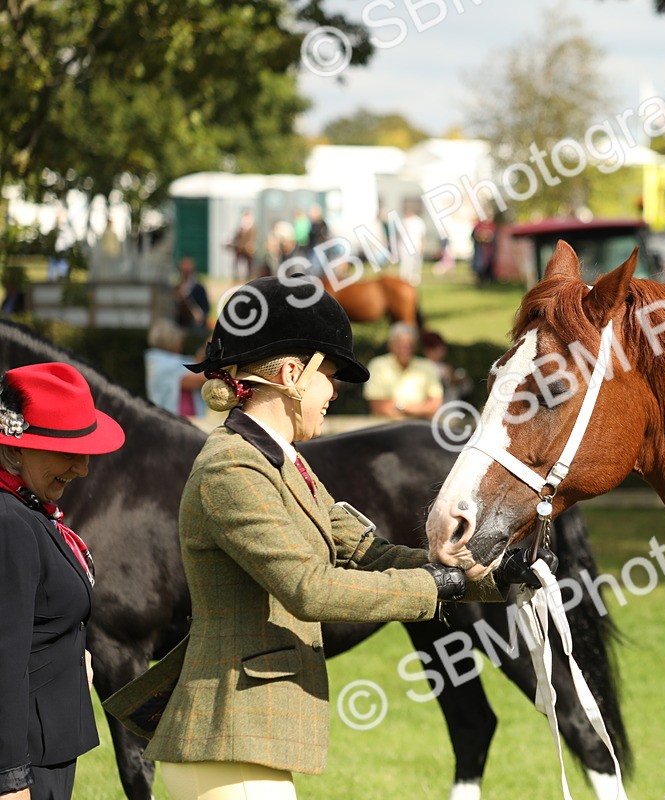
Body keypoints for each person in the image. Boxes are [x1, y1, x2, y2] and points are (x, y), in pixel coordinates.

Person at [102, 277, 548, 800]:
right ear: (292, 376)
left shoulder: (285, 463)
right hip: (227, 733)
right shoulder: (231, 469)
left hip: (248, 740)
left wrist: (488, 576)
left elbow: (370, 552)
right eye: (330, 377)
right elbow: (309, 589)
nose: (335, 392)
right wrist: (436, 587)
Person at [0, 362, 126, 800]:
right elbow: (4, 658)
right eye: (67, 452)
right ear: (15, 450)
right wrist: (10, 779)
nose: (83, 469)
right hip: (25, 761)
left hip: (44, 747)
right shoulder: (10, 522)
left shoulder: (28, 509)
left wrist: (72, 660)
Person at [364, 322, 443, 420]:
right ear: (390, 345)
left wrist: (401, 407)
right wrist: (420, 408)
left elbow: (434, 406)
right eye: (400, 345)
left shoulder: (428, 367)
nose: (405, 350)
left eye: (409, 345)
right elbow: (378, 407)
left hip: (419, 425)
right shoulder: (378, 365)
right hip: (386, 426)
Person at [144, 319, 206, 416]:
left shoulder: (159, 361)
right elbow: (199, 377)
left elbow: (194, 364)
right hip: (175, 420)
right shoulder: (164, 365)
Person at [420, 330, 473, 403]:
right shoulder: (424, 367)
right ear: (427, 350)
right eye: (437, 348)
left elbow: (467, 388)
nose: (442, 351)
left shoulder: (445, 366)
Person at [173, 257, 210, 332]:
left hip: (196, 325)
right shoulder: (177, 287)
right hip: (181, 324)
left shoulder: (199, 288)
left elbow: (205, 308)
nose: (185, 273)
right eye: (184, 271)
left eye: (188, 271)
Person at [397, 204, 425, 286]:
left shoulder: (418, 221)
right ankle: (404, 280)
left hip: (415, 246)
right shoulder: (403, 221)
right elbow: (399, 236)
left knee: (415, 265)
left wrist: (422, 246)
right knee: (405, 265)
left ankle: (414, 281)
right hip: (404, 247)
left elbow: (422, 235)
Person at [228, 210, 257, 281]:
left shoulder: (252, 228)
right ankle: (236, 277)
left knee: (250, 264)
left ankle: (249, 277)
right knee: (236, 262)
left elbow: (252, 238)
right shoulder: (240, 228)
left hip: (248, 249)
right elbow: (236, 237)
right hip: (240, 248)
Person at [47, 211, 74, 282]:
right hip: (55, 253)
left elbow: (69, 242)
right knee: (52, 271)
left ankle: (62, 279)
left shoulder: (66, 230)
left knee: (63, 268)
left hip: (63, 253)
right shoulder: (54, 230)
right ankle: (52, 280)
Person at [471, 213, 496, 284]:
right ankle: (479, 279)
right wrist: (480, 238)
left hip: (488, 250)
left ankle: (487, 279)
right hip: (479, 250)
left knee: (488, 265)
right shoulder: (478, 226)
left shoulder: (492, 226)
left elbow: (494, 238)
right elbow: (473, 236)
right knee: (479, 265)